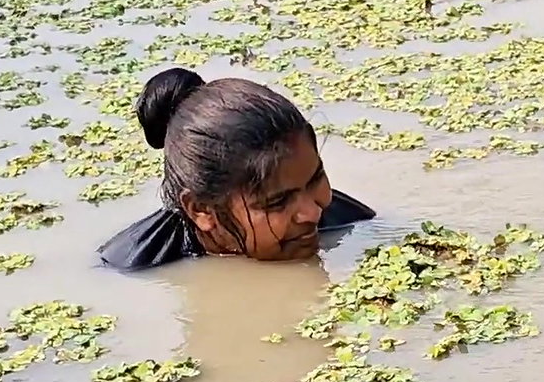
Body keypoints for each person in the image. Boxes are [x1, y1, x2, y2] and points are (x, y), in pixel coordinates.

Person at [97, 68, 375, 269]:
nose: (313, 212)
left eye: (315, 179)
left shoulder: (351, 220)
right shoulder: (132, 265)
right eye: (277, 202)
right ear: (201, 210)